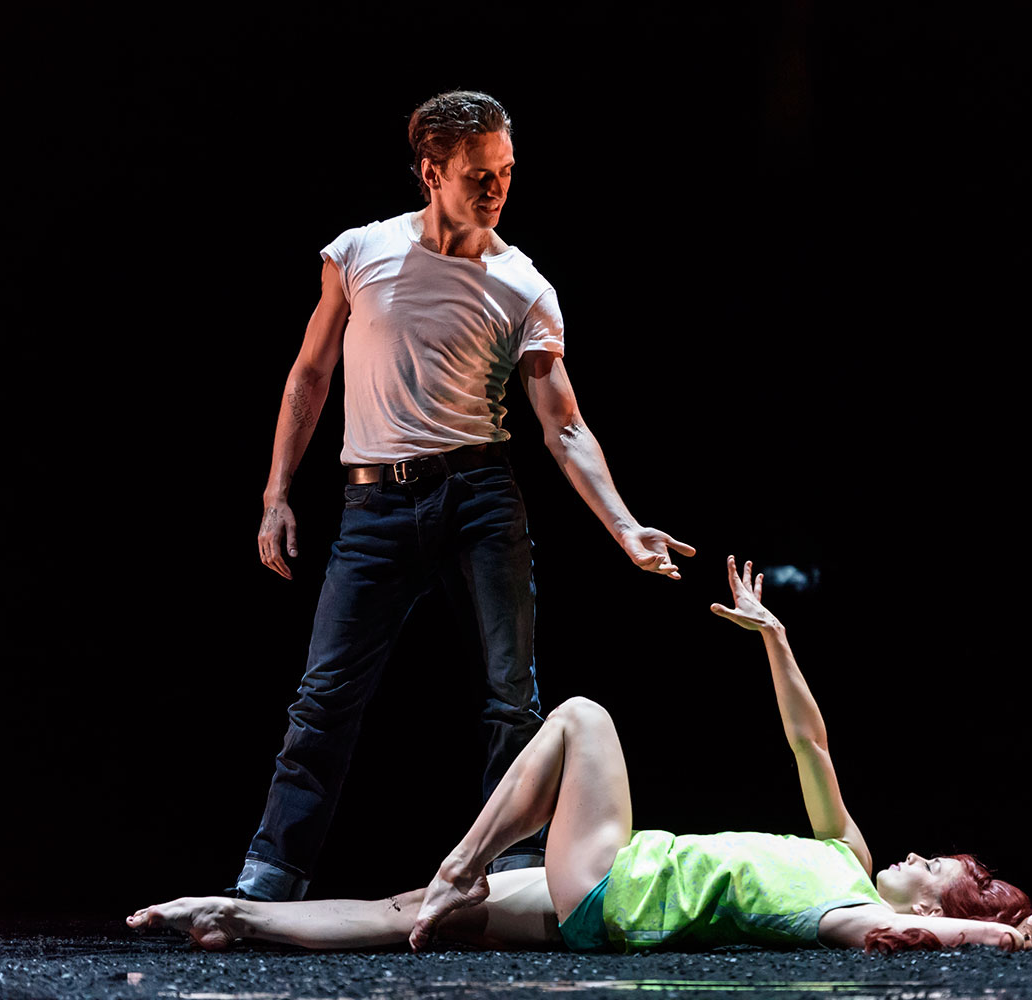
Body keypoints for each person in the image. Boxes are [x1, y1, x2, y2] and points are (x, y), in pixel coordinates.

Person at [130, 557, 1032, 954]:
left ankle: (465, 862)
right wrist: (775, 639)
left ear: (937, 903)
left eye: (932, 870)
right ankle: (240, 915)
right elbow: (809, 741)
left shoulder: (850, 909)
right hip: (610, 897)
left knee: (584, 716)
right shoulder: (848, 854)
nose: (912, 858)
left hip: (615, 885)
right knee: (403, 913)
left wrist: (1000, 936)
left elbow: (932, 940)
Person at [237, 90, 694, 902]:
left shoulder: (524, 285)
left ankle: (511, 878)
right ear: (431, 171)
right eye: (479, 175)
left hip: (479, 498)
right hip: (374, 505)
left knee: (508, 694)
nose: (496, 188)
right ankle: (271, 877)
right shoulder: (360, 252)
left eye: (507, 172)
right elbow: (310, 374)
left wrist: (624, 527)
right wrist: (277, 491)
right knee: (324, 696)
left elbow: (565, 427)